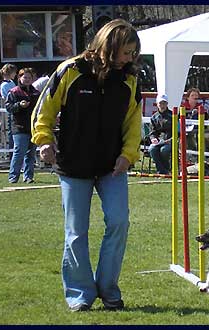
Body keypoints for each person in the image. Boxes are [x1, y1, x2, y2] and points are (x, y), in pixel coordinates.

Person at [31, 19, 142, 312]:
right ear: (111, 45)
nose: (130, 59)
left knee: (119, 222)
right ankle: (80, 294)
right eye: (127, 52)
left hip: (112, 167)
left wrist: (128, 155)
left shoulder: (130, 80)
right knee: (76, 232)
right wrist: (43, 140)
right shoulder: (71, 71)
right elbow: (44, 109)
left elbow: (133, 124)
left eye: (133, 53)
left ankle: (108, 289)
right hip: (73, 165)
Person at [5, 68, 40, 183]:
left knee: (31, 153)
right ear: (19, 78)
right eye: (25, 77)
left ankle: (28, 177)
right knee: (19, 152)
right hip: (19, 127)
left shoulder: (36, 92)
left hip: (33, 127)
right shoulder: (14, 92)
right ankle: (13, 177)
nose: (27, 80)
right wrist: (19, 105)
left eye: (29, 78)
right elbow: (8, 108)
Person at [148, 94, 172, 174]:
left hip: (170, 141)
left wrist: (170, 140)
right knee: (152, 149)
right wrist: (153, 139)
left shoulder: (173, 115)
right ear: (157, 104)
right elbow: (152, 132)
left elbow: (178, 131)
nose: (162, 105)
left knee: (164, 150)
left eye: (164, 103)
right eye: (160, 103)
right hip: (158, 141)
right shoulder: (154, 117)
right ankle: (161, 170)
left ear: (167, 104)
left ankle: (166, 169)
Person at [0, 63, 18, 153]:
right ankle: (11, 152)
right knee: (10, 131)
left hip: (15, 108)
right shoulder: (4, 85)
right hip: (9, 110)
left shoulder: (12, 82)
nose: (15, 74)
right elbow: (7, 97)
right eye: (14, 72)